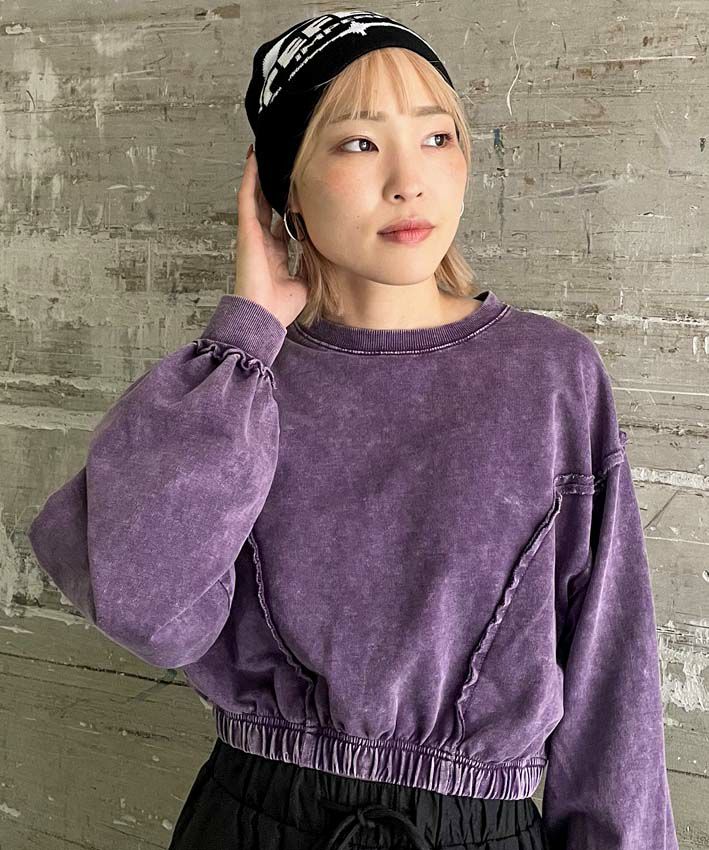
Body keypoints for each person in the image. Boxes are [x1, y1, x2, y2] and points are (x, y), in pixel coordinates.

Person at [27, 9, 679, 850]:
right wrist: (245, 335)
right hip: (253, 823)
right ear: (283, 187)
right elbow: (148, 610)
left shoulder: (550, 375)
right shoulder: (234, 389)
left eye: (437, 137)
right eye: (359, 143)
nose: (409, 181)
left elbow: (612, 679)